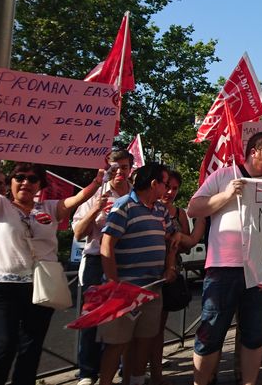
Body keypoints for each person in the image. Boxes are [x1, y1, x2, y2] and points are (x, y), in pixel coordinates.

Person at [0, 142, 103, 385]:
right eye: (20, 177)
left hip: (40, 287)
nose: (25, 182)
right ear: (11, 181)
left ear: (40, 184)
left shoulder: (49, 208)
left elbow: (79, 198)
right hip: (1, 289)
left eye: (32, 179)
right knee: (3, 345)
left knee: (31, 348)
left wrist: (99, 178)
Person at [187, 131, 262, 385]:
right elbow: (193, 208)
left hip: (260, 270)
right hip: (223, 268)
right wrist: (226, 195)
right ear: (254, 152)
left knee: (254, 334)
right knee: (211, 332)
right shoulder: (224, 176)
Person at [99, 162, 178, 385]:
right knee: (117, 343)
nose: (167, 189)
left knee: (144, 340)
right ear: (154, 184)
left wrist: (169, 267)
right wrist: (114, 284)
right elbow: (107, 246)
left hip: (153, 288)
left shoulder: (161, 210)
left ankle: (135, 381)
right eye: (165, 184)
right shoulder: (124, 206)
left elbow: (174, 238)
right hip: (125, 289)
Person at [73, 148, 134, 385]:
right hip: (97, 261)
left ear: (131, 169)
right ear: (106, 169)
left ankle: (121, 366)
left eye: (124, 167)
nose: (119, 172)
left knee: (124, 316)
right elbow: (78, 233)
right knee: (92, 317)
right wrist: (96, 209)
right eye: (114, 167)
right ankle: (87, 373)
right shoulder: (93, 194)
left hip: (126, 261)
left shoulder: (136, 196)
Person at [146, 169, 205, 385]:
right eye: (167, 186)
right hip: (145, 274)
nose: (170, 191)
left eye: (175, 188)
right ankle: (132, 371)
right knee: (137, 331)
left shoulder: (178, 213)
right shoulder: (145, 208)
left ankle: (156, 376)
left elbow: (188, 244)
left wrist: (198, 222)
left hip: (168, 276)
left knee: (157, 329)